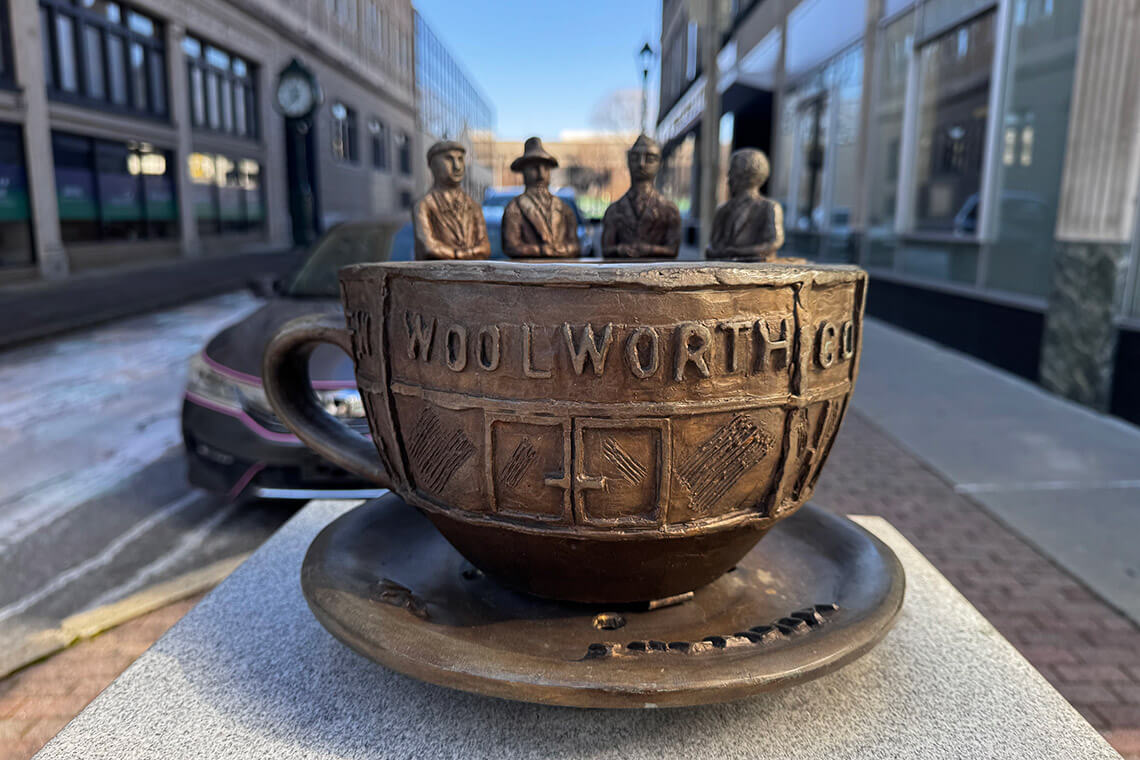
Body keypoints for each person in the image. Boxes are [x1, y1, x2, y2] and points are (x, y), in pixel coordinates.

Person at [601, 134, 681, 259]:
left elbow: (673, 249)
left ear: (659, 163)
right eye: (635, 158)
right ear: (628, 161)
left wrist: (649, 249)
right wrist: (621, 249)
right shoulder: (614, 210)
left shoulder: (669, 210)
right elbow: (606, 249)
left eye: (649, 159)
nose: (641, 164)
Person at [502, 137, 581, 258]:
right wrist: (540, 250)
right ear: (524, 171)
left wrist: (562, 249)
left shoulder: (564, 208)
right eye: (534, 168)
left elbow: (575, 245)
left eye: (546, 168)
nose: (541, 174)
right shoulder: (514, 208)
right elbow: (511, 246)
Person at [412, 140, 491, 260]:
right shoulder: (424, 205)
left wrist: (456, 255)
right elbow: (429, 247)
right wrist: (465, 255)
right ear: (433, 165)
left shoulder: (473, 205)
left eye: (460, 159)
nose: (457, 167)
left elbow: (485, 248)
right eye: (449, 159)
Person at [706, 148, 785, 261]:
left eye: (732, 172)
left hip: (755, 269)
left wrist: (738, 252)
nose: (728, 177)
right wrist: (716, 252)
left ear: (744, 177)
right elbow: (712, 246)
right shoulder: (722, 210)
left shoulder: (769, 208)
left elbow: (774, 243)